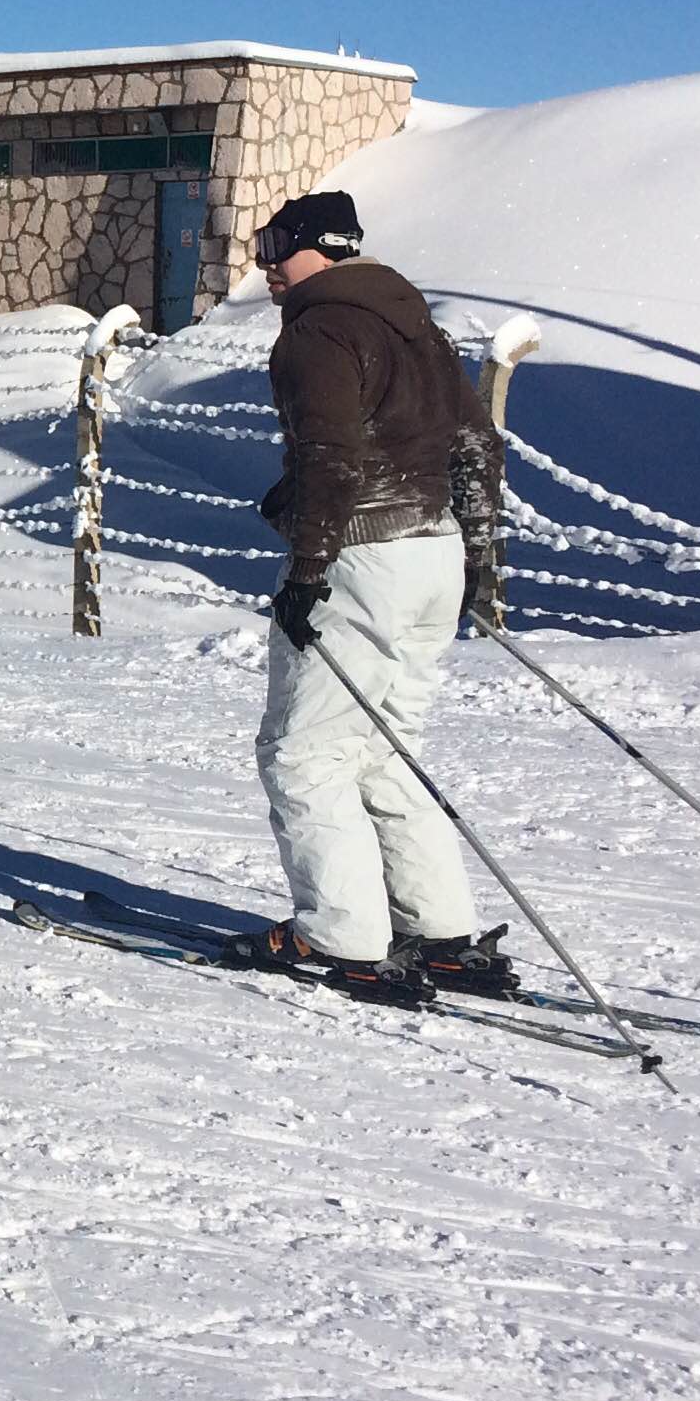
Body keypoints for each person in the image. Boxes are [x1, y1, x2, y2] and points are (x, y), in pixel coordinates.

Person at [226, 189, 510, 1006]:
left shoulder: (320, 331)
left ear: (323, 245)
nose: (266, 263)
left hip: (361, 556)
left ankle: (340, 934)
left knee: (306, 752)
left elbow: (331, 457)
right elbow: (473, 444)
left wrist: (308, 569)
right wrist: (478, 560)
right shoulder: (413, 322)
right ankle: (439, 930)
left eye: (276, 244)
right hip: (434, 551)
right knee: (387, 747)